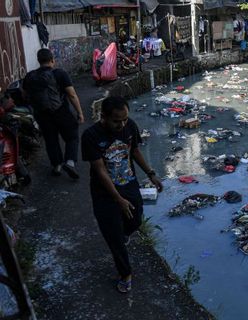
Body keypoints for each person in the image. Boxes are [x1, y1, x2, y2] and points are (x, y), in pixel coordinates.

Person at [81, 96, 163, 293]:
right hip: (104, 192)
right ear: (104, 117)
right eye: (117, 120)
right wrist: (118, 199)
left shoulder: (130, 126)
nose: (122, 124)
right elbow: (100, 170)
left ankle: (126, 232)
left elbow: (134, 151)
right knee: (114, 237)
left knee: (136, 220)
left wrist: (151, 174)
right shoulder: (91, 136)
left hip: (129, 184)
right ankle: (125, 273)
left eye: (125, 119)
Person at [23, 48, 84, 178]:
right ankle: (70, 162)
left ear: (39, 61)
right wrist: (80, 113)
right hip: (61, 111)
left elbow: (25, 95)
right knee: (72, 136)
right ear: (52, 60)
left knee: (51, 140)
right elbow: (72, 95)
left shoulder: (30, 76)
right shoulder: (60, 73)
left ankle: (57, 166)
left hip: (42, 114)